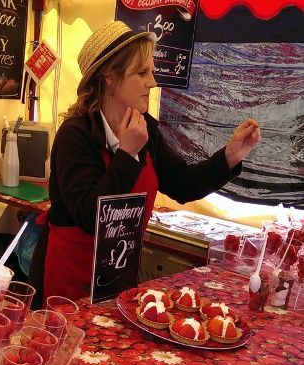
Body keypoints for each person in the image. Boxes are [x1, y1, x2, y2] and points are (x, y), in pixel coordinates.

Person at [28, 20, 261, 308]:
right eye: (142, 72)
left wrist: (230, 157)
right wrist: (126, 154)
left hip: (119, 274)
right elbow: (91, 217)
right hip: (71, 278)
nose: (153, 82)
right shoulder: (75, 136)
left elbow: (183, 184)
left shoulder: (146, 129)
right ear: (110, 77)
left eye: (151, 71)